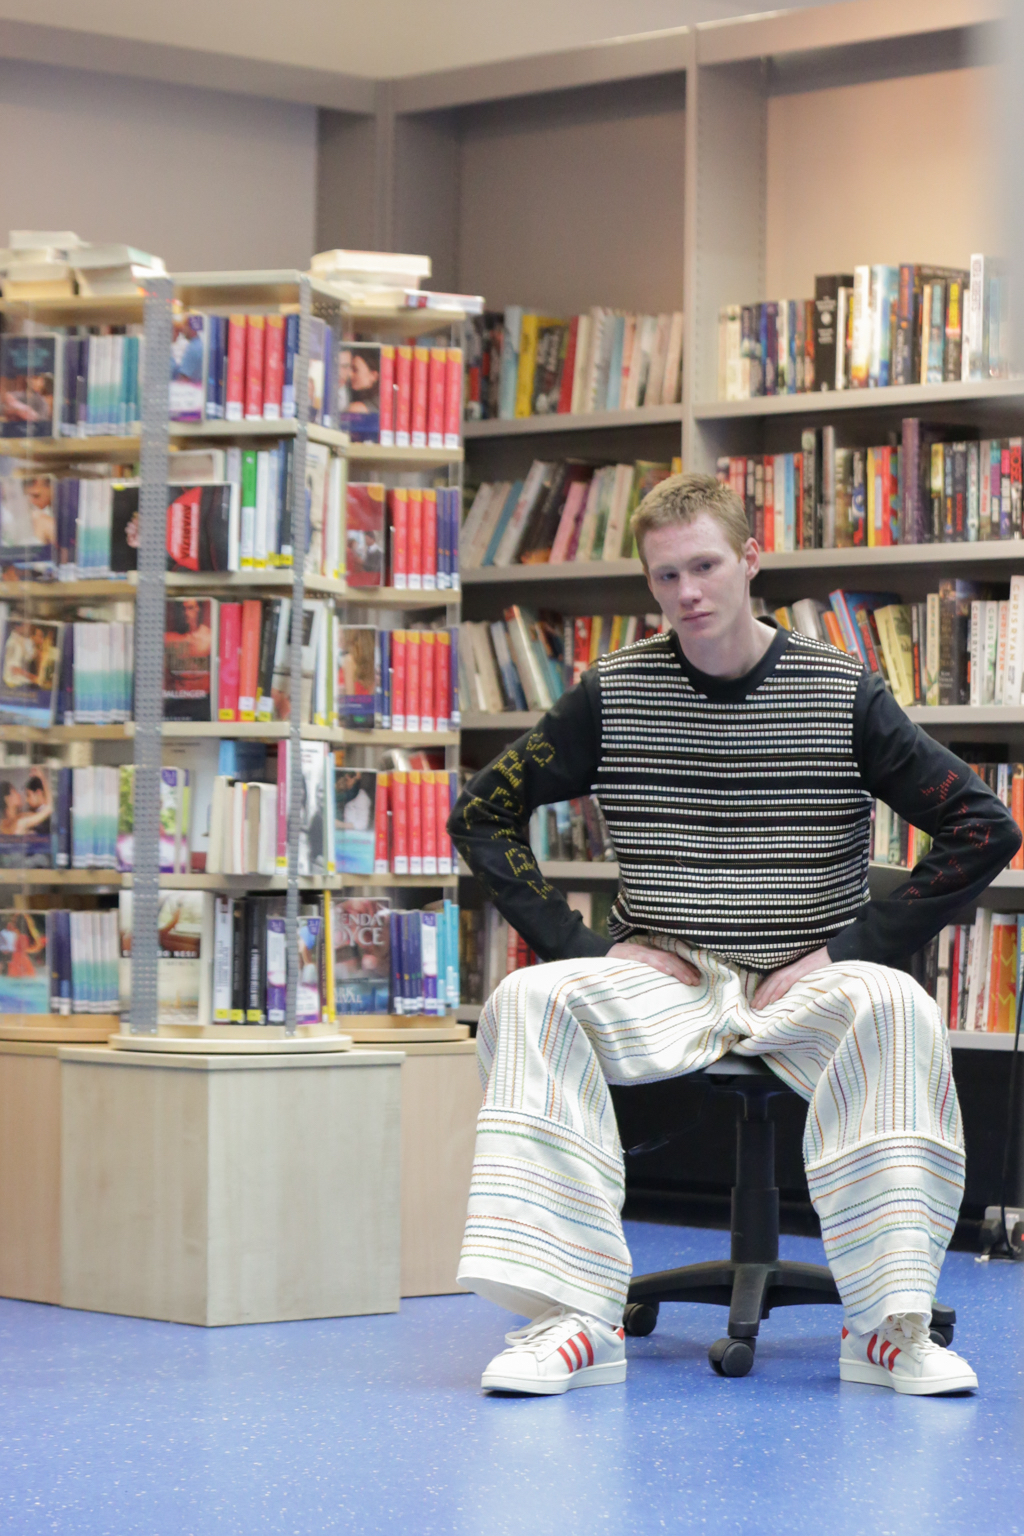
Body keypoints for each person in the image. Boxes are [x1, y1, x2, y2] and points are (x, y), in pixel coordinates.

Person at [450, 471, 1021, 1399]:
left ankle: (890, 1328)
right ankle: (575, 1321)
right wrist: (583, 949)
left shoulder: (841, 689)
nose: (687, 592)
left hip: (810, 975)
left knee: (898, 1006)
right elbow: (482, 814)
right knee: (527, 999)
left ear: (752, 559)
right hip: (665, 977)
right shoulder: (611, 692)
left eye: (706, 566)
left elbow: (980, 826)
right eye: (666, 575)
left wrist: (851, 952)